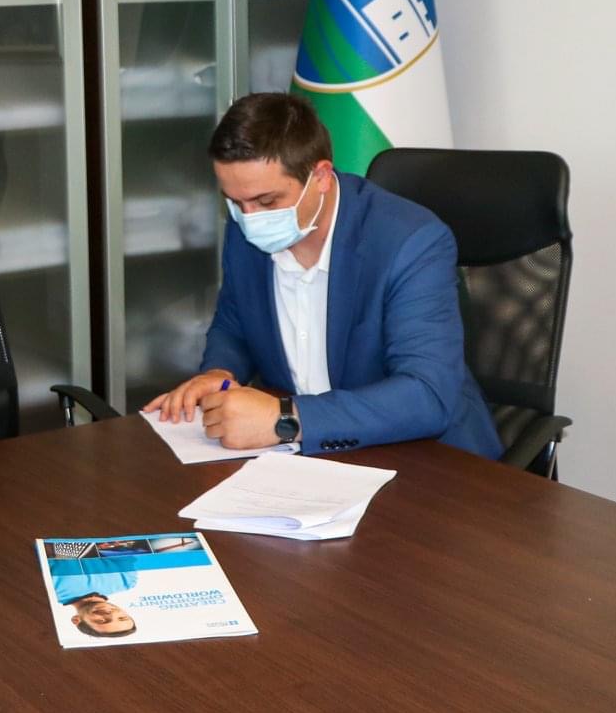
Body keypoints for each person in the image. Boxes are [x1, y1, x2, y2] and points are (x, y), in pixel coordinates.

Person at [146, 93, 502, 459]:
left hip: (426, 456)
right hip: (307, 456)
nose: (250, 218)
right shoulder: (246, 228)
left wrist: (287, 418)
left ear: (320, 177)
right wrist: (219, 373)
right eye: (235, 203)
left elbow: (425, 395)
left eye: (267, 202)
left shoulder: (410, 242)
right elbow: (235, 323)